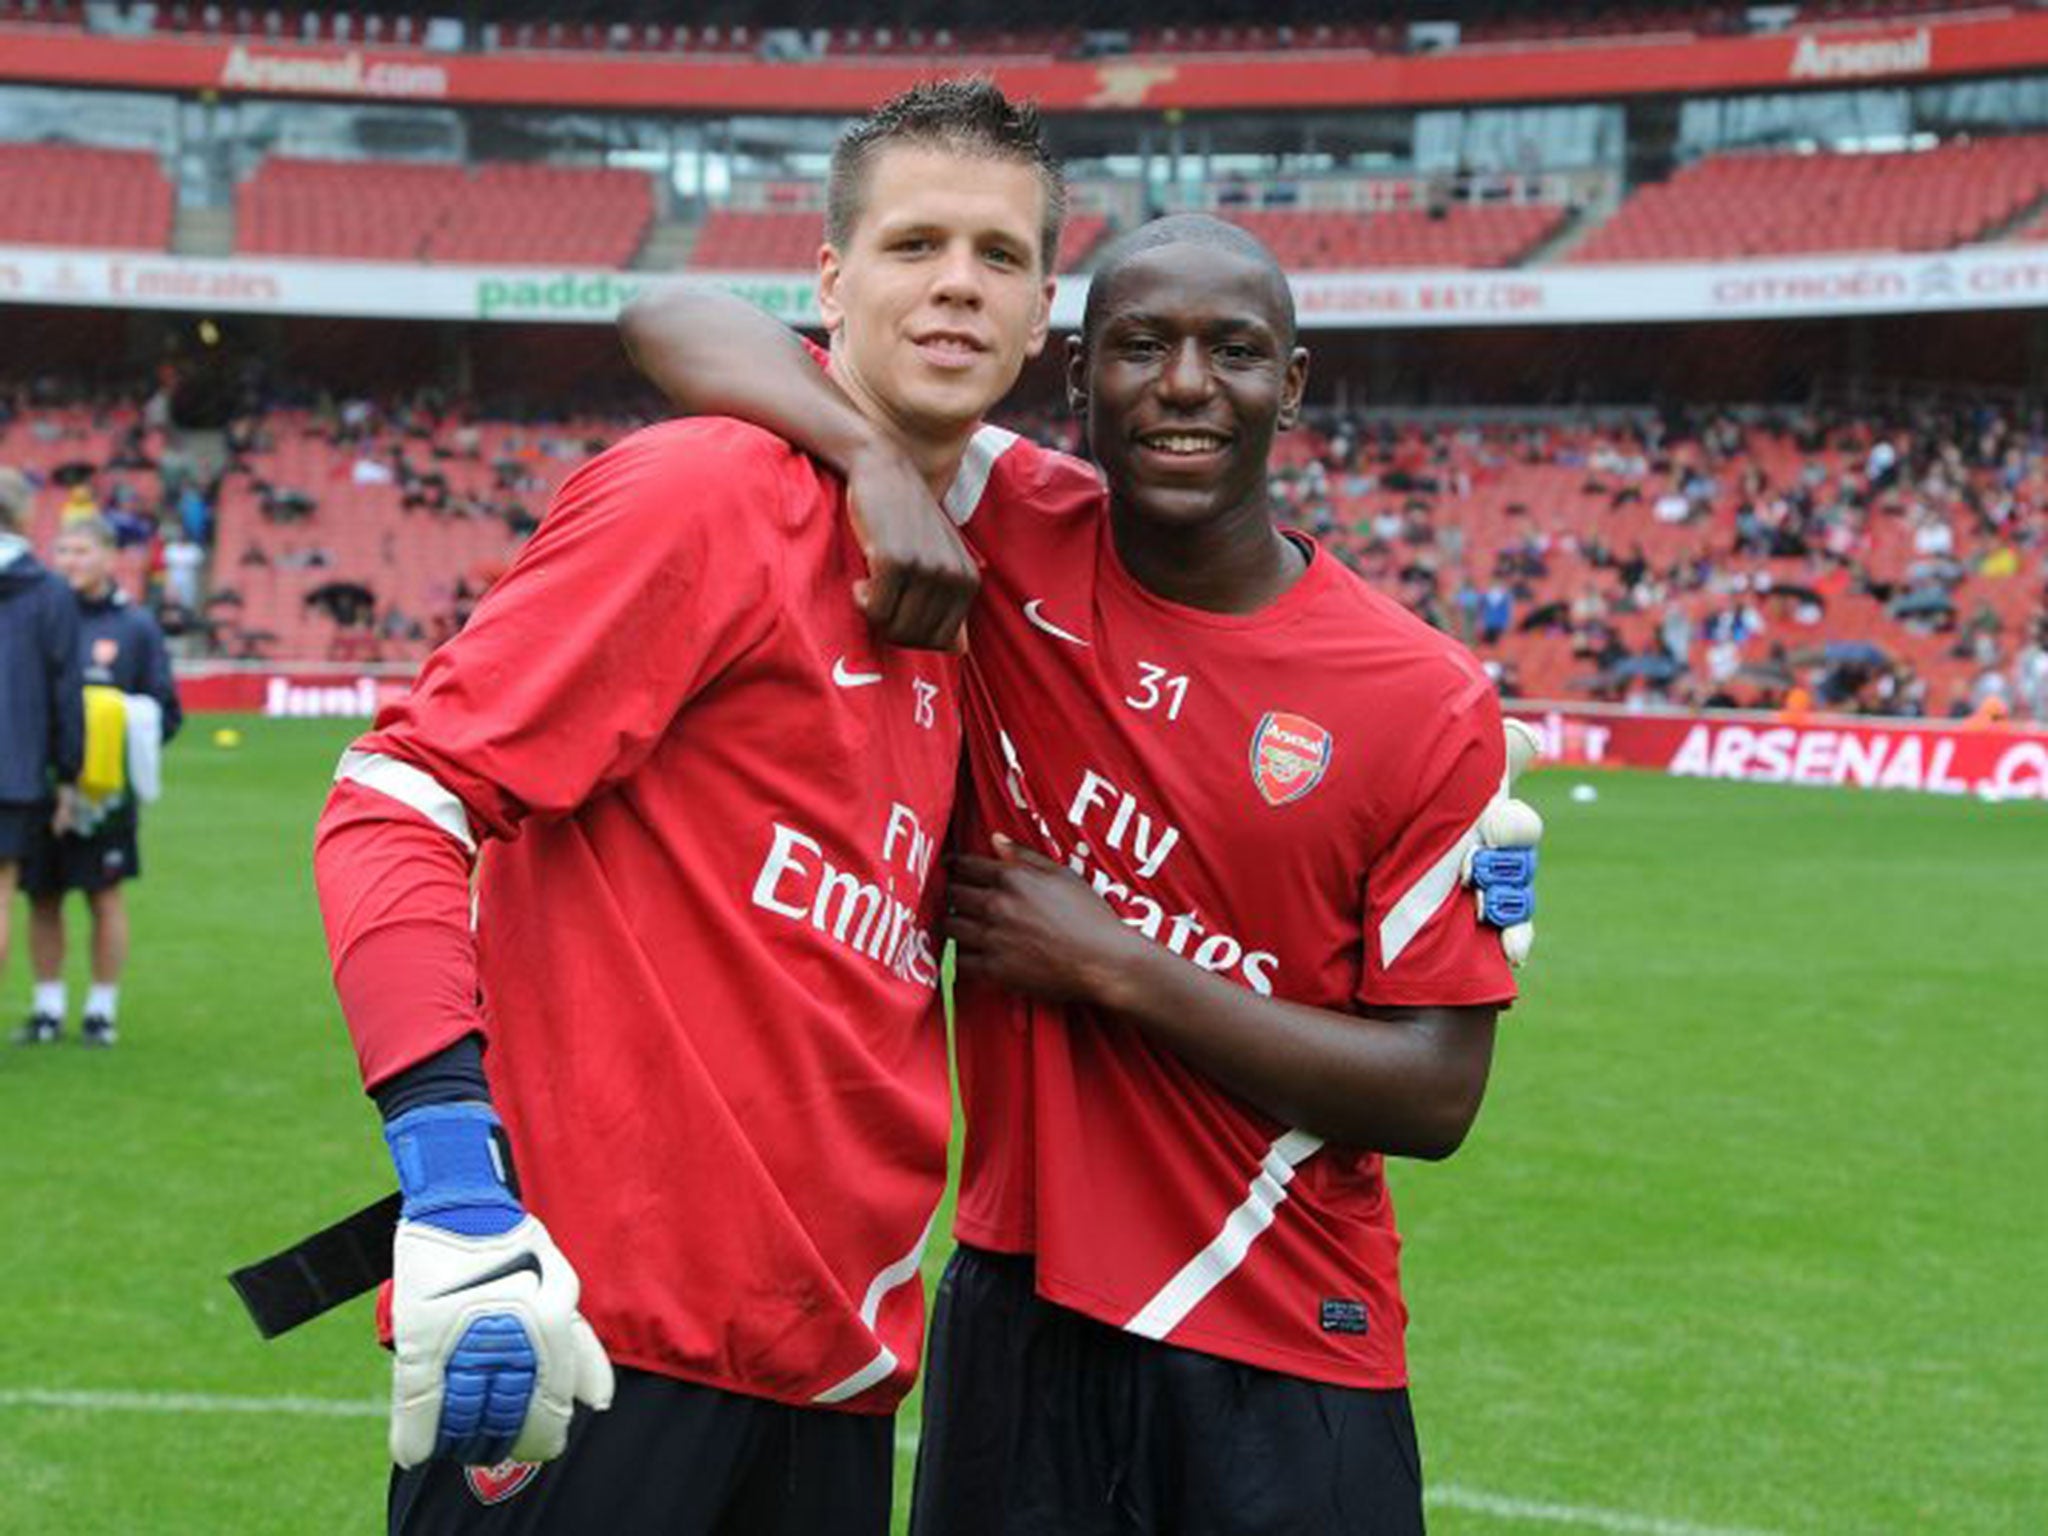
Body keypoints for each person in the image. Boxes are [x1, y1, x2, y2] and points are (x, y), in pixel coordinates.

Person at [623, 214, 1541, 1535]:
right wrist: (876, 463)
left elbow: (1436, 1093)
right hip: (1020, 1306)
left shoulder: (1425, 696)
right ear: (1076, 375)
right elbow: (670, 316)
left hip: (1285, 1330)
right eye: (1139, 346)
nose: (1182, 384)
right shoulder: (1011, 523)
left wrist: (1117, 964)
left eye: (1232, 351)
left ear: (1291, 384)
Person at [309, 80, 1058, 1536]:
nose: (957, 282)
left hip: (833, 1374)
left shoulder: (995, 580)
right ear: (830, 284)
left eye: (1000, 256)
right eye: (913, 245)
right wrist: (455, 1190)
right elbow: (396, 803)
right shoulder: (705, 493)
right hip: (588, 1347)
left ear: (1042, 316)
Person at [19, 517, 183, 1047]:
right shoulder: (35, 615)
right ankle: (46, 1007)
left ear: (111, 556)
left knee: (103, 897)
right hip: (39, 785)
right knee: (42, 897)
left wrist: (119, 726)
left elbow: (167, 710)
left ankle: (101, 1009)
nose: (70, 561)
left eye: (82, 550)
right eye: (62, 550)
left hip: (107, 798)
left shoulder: (134, 627)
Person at [0, 468, 85, 1027]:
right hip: (15, 769)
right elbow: (64, 690)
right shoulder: (50, 590)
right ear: (26, 515)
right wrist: (71, 776)